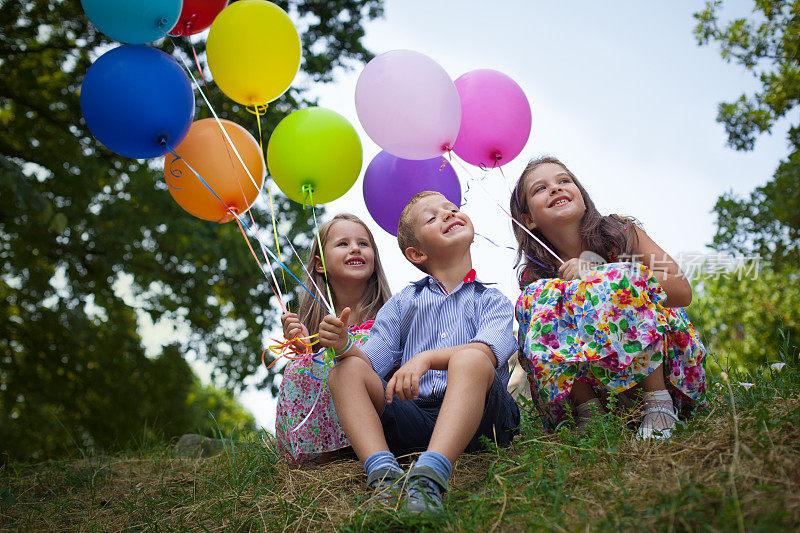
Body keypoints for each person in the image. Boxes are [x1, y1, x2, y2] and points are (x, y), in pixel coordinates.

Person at [319, 191, 520, 514]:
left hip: (485, 417)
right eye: (433, 217)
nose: (448, 214)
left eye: (452, 209)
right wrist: (344, 345)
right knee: (344, 370)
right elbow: (367, 364)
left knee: (470, 358)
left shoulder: (491, 300)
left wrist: (426, 358)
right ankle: (384, 476)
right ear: (416, 253)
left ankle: (430, 476)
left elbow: (488, 351)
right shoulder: (402, 303)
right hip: (415, 418)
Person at [510, 156, 706, 439]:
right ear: (528, 218)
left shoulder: (620, 233)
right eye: (540, 188)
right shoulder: (536, 275)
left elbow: (681, 291)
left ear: (582, 196)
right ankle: (590, 414)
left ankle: (659, 406)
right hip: (601, 392)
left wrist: (597, 273)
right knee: (536, 298)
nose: (555, 188)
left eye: (564, 180)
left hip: (667, 372)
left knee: (615, 279)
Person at [274, 214, 391, 465]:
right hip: (328, 431)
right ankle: (318, 456)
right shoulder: (316, 327)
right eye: (343, 244)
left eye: (363, 243)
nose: (355, 249)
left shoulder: (392, 314)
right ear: (319, 264)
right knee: (302, 366)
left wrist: (346, 346)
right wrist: (303, 350)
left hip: (387, 412)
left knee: (348, 364)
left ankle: (368, 446)